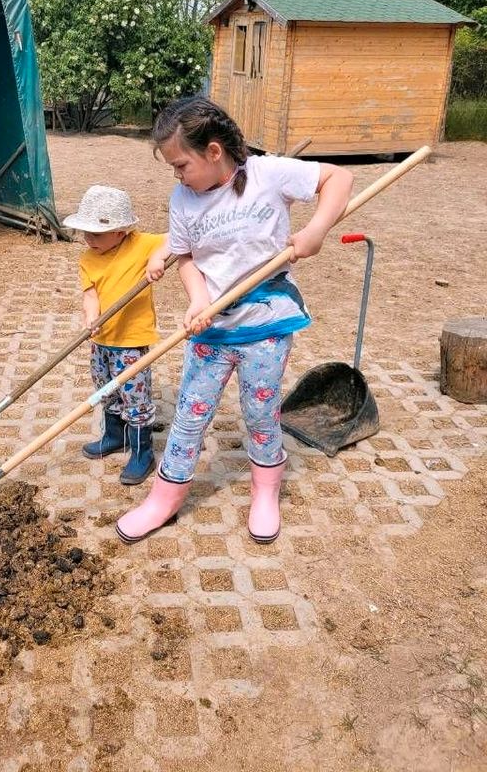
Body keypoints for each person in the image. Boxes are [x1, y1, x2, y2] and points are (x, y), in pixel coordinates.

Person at [116, 96, 354, 543]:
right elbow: (184, 256)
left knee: (260, 412)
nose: (177, 175)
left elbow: (340, 178)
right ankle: (163, 498)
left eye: (181, 164)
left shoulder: (267, 174)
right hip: (214, 325)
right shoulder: (183, 199)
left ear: (213, 151)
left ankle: (266, 492)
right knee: (190, 413)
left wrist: (316, 230)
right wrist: (196, 301)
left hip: (267, 324)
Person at [63, 185, 169, 484]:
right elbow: (90, 294)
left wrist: (156, 259)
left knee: (134, 397)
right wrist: (91, 317)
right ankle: (114, 436)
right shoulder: (88, 258)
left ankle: (142, 452)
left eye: (96, 233)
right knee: (104, 388)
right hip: (101, 340)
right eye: (86, 232)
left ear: (121, 231)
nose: (88, 239)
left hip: (130, 342)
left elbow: (177, 240)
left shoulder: (141, 244)